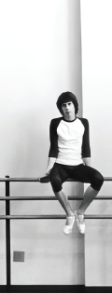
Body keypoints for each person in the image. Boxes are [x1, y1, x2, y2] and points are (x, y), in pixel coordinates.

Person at [41, 92, 104, 234]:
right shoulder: (55, 123)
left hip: (77, 165)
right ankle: (69, 214)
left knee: (98, 179)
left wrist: (90, 171)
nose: (67, 108)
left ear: (75, 106)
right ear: (60, 109)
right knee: (54, 179)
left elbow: (86, 148)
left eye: (69, 104)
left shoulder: (83, 123)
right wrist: (49, 168)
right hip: (60, 165)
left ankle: (80, 213)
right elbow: (53, 148)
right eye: (63, 105)